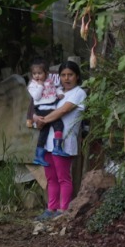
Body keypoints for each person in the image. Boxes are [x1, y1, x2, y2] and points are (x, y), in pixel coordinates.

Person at [35, 61, 86, 218]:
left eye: (70, 75)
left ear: (77, 76)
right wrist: (36, 117)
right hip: (48, 141)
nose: (66, 78)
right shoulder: (56, 92)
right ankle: (51, 210)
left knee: (63, 178)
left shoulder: (79, 93)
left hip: (64, 142)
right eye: (63, 75)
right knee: (51, 178)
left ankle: (63, 211)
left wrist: (43, 120)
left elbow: (62, 111)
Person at [25, 59, 61, 166]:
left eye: (39, 73)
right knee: (58, 125)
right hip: (43, 108)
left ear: (46, 73)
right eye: (34, 74)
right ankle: (57, 147)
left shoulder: (49, 81)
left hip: (50, 107)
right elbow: (36, 96)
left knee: (43, 133)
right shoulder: (33, 85)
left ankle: (39, 156)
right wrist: (40, 85)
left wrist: (60, 93)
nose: (37, 76)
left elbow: (55, 89)